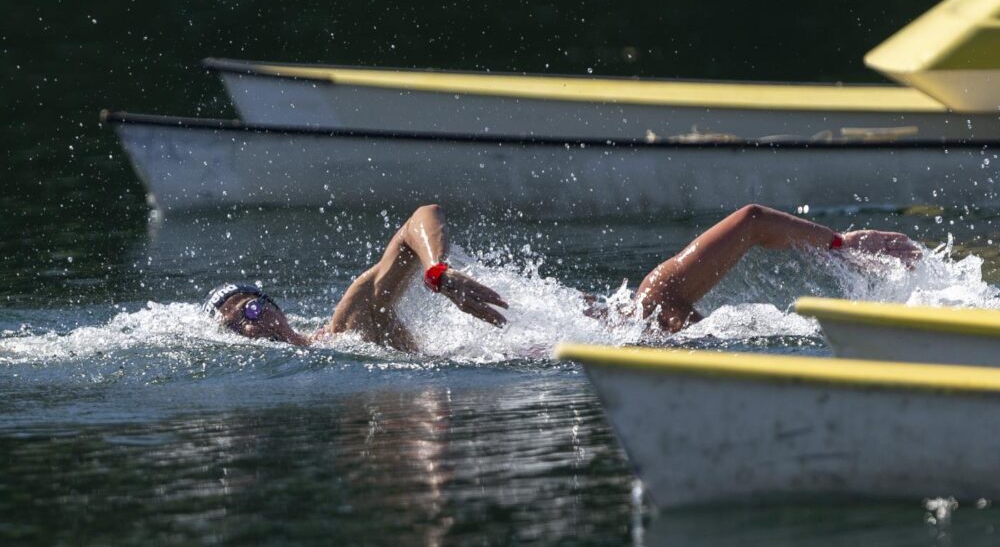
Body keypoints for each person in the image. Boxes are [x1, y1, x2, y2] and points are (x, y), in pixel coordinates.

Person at [202, 204, 919, 349]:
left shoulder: (350, 321)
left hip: (619, 325)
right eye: (236, 321)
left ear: (274, 305)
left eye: (251, 306)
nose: (249, 319)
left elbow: (418, 218)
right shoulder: (338, 354)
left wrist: (440, 272)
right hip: (616, 332)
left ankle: (843, 242)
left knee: (748, 221)